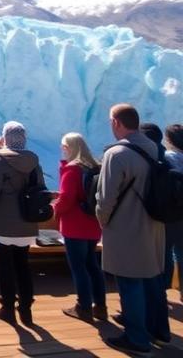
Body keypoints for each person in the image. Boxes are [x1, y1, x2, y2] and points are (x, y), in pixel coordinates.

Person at [97, 104, 170, 353]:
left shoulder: (116, 154)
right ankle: (157, 332)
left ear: (117, 122)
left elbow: (105, 198)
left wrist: (103, 221)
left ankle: (137, 339)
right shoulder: (154, 148)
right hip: (154, 226)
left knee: (129, 283)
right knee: (151, 280)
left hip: (125, 228)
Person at [0, 121, 43, 326]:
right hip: (26, 223)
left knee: (5, 267)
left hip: (2, 225)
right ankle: (25, 309)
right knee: (23, 266)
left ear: (5, 138)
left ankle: (7, 308)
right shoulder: (34, 162)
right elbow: (40, 191)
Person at [52, 132, 106, 321]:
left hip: (74, 225)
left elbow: (66, 199)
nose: (62, 150)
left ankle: (83, 307)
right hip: (93, 224)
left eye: (63, 147)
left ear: (68, 148)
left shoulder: (72, 170)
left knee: (79, 267)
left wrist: (54, 208)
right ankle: (100, 306)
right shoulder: (95, 167)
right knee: (92, 265)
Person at [165, 124, 183, 304]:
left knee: (166, 251)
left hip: (172, 212)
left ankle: (164, 288)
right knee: (181, 252)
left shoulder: (168, 157)